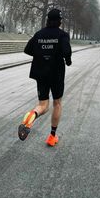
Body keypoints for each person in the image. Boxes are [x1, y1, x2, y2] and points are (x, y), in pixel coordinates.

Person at [18, 8, 72, 146]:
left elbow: (27, 49)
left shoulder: (39, 34)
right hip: (56, 73)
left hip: (41, 72)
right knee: (57, 103)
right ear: (59, 21)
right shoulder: (62, 35)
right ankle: (52, 136)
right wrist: (68, 60)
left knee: (43, 105)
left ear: (48, 20)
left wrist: (41, 55)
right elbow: (67, 52)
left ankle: (31, 115)